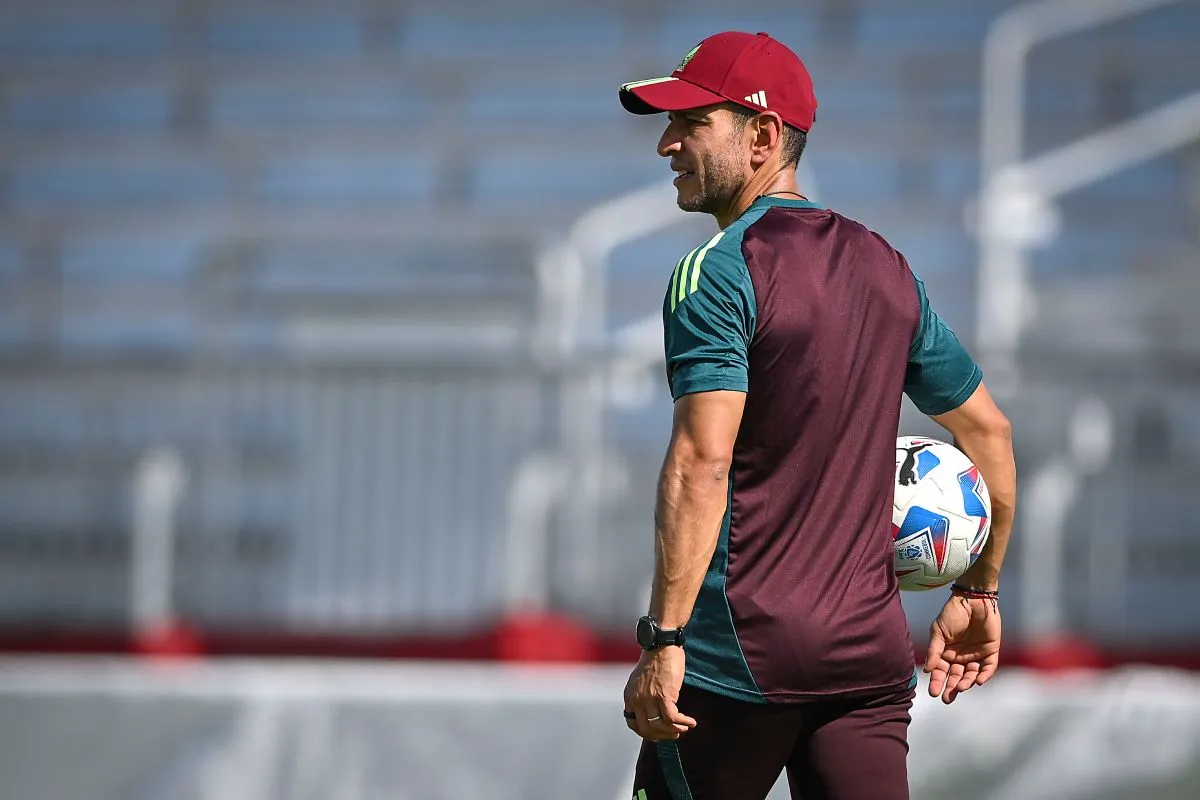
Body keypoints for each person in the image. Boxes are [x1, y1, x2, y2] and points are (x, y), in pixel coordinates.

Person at [616, 31, 1017, 800]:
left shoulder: (718, 271)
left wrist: (664, 639)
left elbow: (703, 461)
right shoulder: (885, 264)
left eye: (692, 123)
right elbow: (989, 432)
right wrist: (981, 591)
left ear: (763, 136)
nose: (667, 143)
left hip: (736, 666)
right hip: (866, 665)